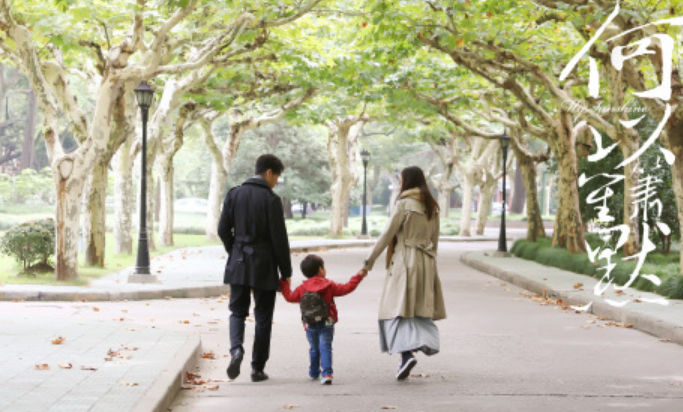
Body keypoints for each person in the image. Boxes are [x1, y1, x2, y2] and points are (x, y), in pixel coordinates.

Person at [358, 166, 446, 380]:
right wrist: (430, 264)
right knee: (418, 309)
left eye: (401, 179)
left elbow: (387, 235)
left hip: (405, 262)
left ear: (406, 181)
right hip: (426, 262)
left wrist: (368, 262)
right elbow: (434, 242)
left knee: (394, 309)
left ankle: (406, 353)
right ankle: (424, 342)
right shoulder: (431, 206)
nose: (399, 183)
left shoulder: (404, 204)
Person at [218, 154, 292, 383]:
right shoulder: (271, 200)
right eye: (277, 177)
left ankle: (236, 350)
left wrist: (235, 250)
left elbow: (222, 229)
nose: (276, 182)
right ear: (269, 172)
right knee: (263, 316)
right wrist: (286, 272)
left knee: (237, 311)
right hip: (264, 264)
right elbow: (279, 239)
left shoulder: (234, 193)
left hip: (239, 261)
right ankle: (257, 368)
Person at [280, 254, 366, 385]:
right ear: (320, 269)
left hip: (309, 323)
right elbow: (347, 287)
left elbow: (290, 297)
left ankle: (314, 372)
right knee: (325, 346)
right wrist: (359, 276)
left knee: (314, 347)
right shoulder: (329, 285)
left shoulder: (302, 288)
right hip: (327, 321)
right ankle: (327, 374)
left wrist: (284, 283)